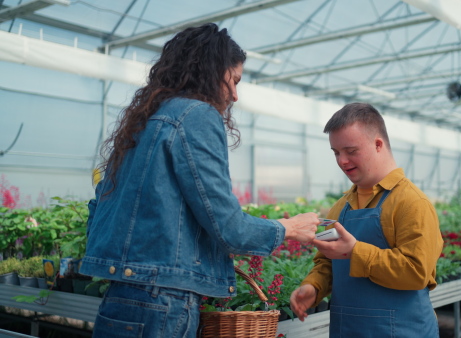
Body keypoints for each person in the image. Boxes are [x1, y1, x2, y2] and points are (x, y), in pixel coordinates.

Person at [80, 23, 319, 338]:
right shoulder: (197, 117)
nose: (235, 94)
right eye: (233, 80)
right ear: (208, 71)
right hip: (160, 301)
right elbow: (228, 226)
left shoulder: (143, 121)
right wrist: (289, 228)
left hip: (121, 298)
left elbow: (102, 210)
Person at [290, 102, 443, 337]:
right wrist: (313, 287)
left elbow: (416, 271)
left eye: (351, 151)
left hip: (403, 331)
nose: (341, 160)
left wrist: (355, 251)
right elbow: (327, 262)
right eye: (336, 152)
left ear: (378, 144)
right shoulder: (341, 207)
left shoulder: (411, 203)